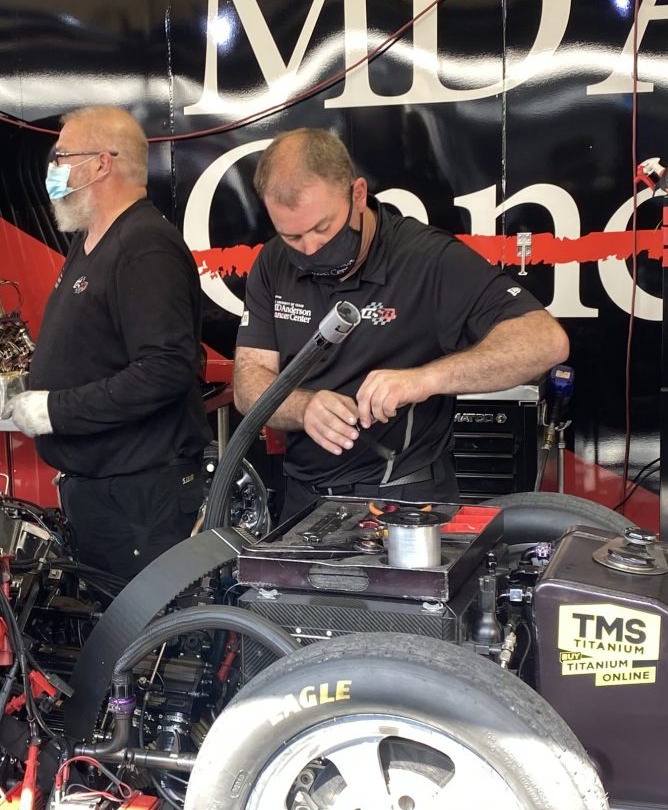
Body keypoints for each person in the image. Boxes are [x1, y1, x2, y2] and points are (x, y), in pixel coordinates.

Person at [233, 128, 569, 518]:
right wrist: (303, 407)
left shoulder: (426, 259)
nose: (309, 249)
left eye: (323, 229)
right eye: (292, 236)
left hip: (405, 501)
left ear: (357, 194)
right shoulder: (273, 263)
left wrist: (423, 381)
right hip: (304, 502)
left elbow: (546, 341)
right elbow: (248, 383)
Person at [8, 106, 211, 582]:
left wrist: (56, 410)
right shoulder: (89, 240)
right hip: (102, 493)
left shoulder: (144, 247)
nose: (52, 172)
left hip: (141, 499)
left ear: (101, 163)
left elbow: (165, 368)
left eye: (61, 158)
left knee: (145, 641)